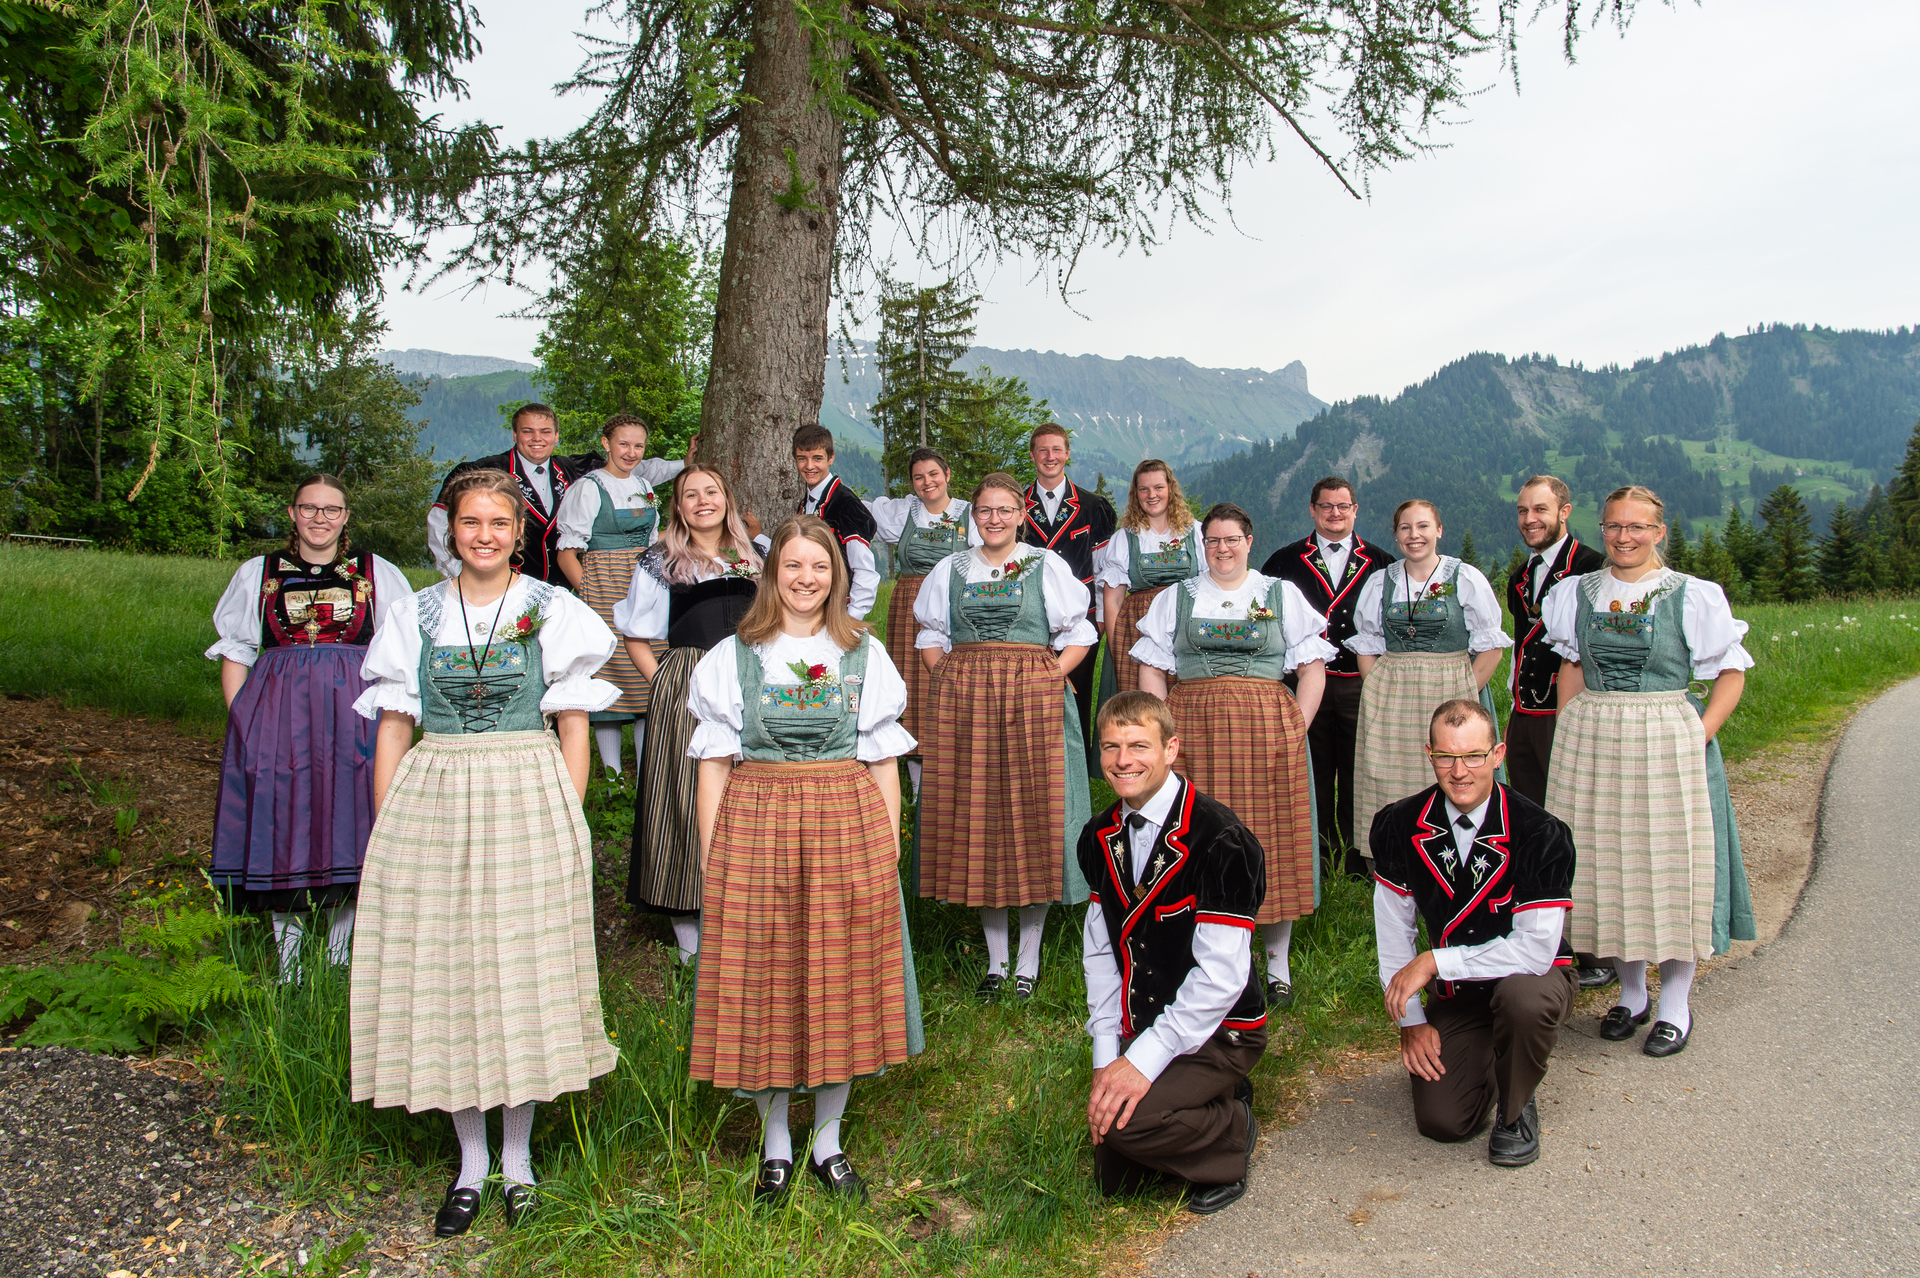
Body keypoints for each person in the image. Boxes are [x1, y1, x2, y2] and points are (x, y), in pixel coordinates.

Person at [350, 468, 621, 1236]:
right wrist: (389, 830)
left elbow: (573, 722)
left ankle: (519, 1159)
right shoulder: (416, 613)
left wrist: (567, 818)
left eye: (499, 524)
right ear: (453, 531)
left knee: (520, 971)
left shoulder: (549, 609)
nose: (484, 536)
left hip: (526, 790)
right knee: (455, 973)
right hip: (436, 797)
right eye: (471, 523)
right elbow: (394, 725)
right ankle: (471, 1163)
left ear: (518, 533)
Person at [687, 515, 921, 1205]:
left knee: (840, 977)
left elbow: (883, 760)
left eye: (819, 567)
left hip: (845, 823)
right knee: (765, 979)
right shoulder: (733, 656)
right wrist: (712, 856)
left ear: (835, 576)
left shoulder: (862, 652)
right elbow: (713, 765)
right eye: (792, 565)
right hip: (756, 822)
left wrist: (886, 848)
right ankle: (776, 1145)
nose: (806, 578)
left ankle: (827, 1141)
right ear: (772, 573)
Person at [1543, 485, 1756, 1058]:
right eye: (1614, 526)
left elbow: (1730, 673)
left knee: (1672, 867)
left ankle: (1675, 1004)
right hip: (1596, 741)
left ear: (1658, 532)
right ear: (1602, 530)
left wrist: (1696, 736)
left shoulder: (1692, 595)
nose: (1624, 537)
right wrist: (1568, 732)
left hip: (1666, 739)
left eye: (1637, 527)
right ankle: (1632, 994)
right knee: (1611, 868)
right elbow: (1573, 667)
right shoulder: (1575, 593)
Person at [205, 475, 412, 981]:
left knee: (353, 814)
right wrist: (243, 718)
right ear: (293, 513)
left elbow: (401, 649)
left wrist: (392, 718)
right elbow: (237, 651)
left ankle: (341, 953)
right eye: (309, 508)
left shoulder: (375, 572)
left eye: (331, 509)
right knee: (282, 816)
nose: (320, 518)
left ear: (345, 517)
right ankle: (289, 960)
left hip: (355, 711)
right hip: (278, 712)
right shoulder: (259, 573)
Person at [1132, 502, 1335, 1010]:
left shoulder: (1279, 594)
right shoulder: (1177, 597)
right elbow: (1152, 666)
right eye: (1213, 541)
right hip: (1192, 730)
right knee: (1196, 839)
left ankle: (1278, 965)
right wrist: (1160, 732)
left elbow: (1312, 668)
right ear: (1203, 545)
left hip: (1267, 732)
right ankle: (1202, 956)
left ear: (1249, 542)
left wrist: (1296, 728)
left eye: (1232, 539)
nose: (1222, 549)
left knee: (1271, 837)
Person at [1080, 691, 1266, 1215]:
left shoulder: (1221, 840)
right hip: (1145, 1021)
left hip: (1220, 1027)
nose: (1123, 761)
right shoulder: (1097, 835)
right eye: (1111, 747)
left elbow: (1221, 980)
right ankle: (1204, 1100)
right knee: (1114, 1177)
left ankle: (1232, 1129)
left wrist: (1142, 1062)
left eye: (1139, 746)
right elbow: (1100, 953)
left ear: (1171, 749)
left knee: (1128, 1125)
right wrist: (1106, 1059)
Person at [1371, 698, 1577, 1168]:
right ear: (1429, 754)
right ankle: (1496, 1055)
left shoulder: (1540, 832)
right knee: (1443, 1121)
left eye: (1473, 756)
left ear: (1498, 755)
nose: (1459, 771)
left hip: (1533, 978)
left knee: (1522, 1002)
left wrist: (1435, 961)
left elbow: (1535, 950)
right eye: (1446, 756)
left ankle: (1516, 1108)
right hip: (1461, 991)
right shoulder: (1399, 823)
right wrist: (1411, 1021)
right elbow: (1394, 932)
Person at [915, 471, 1097, 999]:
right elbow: (931, 635)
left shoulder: (1045, 564)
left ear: (1021, 515)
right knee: (980, 818)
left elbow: (1079, 633)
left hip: (1034, 704)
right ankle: (997, 961)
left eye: (1004, 510)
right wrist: (951, 680)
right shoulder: (950, 569)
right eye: (984, 510)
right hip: (966, 707)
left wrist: (1049, 677)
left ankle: (1029, 958)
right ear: (973, 516)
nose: (993, 519)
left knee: (1034, 815)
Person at [613, 465, 762, 964]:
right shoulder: (661, 560)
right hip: (688, 682)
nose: (703, 501)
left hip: (749, 680)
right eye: (691, 495)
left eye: (711, 492)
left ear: (727, 499)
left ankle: (747, 917)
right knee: (684, 793)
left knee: (749, 793)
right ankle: (690, 937)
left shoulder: (756, 556)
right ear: (678, 507)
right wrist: (666, 682)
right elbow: (635, 634)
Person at [1347, 499, 1511, 867]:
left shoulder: (1464, 577)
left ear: (1439, 530)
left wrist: (1464, 696)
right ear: (1396, 535)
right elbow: (1368, 645)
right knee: (1386, 776)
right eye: (1405, 528)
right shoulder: (1381, 581)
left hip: (1450, 689)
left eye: (1422, 526)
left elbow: (1491, 649)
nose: (1414, 535)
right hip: (1392, 698)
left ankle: (1460, 859)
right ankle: (1393, 862)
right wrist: (1377, 690)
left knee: (1454, 773)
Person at [1505, 474, 1612, 991]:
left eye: (1541, 510)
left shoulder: (1594, 568)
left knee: (1577, 826)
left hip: (1571, 715)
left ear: (1564, 512)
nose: (1531, 519)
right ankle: (1549, 937)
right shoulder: (1520, 577)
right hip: (1526, 715)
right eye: (1523, 511)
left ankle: (1597, 948)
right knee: (1532, 825)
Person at [1261, 478, 1395, 876]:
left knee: (1360, 769)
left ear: (1355, 510)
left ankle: (1358, 859)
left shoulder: (1382, 562)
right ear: (1312, 510)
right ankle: (1316, 856)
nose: (1335, 513)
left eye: (1342, 506)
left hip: (1360, 679)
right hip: (1304, 681)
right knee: (1311, 769)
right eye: (1326, 506)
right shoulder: (1284, 561)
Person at [553, 414, 691, 775]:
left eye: (638, 446)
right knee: (610, 677)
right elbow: (567, 553)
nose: (631, 452)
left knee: (647, 680)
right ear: (606, 444)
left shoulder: (643, 483)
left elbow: (652, 540)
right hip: (603, 587)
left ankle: (644, 774)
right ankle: (613, 778)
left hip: (646, 584)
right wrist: (590, 596)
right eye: (623, 444)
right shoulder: (588, 488)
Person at [864, 447, 979, 796]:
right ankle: (917, 784)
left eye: (933, 474)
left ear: (947, 475)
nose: (927, 482)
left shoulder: (970, 515)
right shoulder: (902, 513)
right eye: (918, 477)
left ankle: (955, 773)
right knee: (911, 688)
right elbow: (853, 514)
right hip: (910, 609)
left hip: (953, 606)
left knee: (950, 685)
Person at [1020, 423, 1116, 761]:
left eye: (1057, 450)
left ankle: (1075, 768)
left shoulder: (1092, 506)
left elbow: (1103, 568)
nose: (1050, 457)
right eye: (1043, 450)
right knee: (1028, 694)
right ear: (1032, 455)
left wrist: (1100, 617)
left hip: (1080, 619)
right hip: (1028, 616)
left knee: (1077, 695)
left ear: (1067, 454)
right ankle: (1031, 764)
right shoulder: (1016, 505)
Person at [1096, 459, 1204, 699]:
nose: (1151, 495)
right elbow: (1113, 601)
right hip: (1138, 632)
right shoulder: (1125, 538)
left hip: (1185, 628)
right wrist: (1118, 648)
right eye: (1144, 489)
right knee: (1141, 707)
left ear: (1170, 489)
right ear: (1136, 494)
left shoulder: (1196, 533)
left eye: (1158, 487)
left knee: (1188, 698)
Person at [792, 424, 880, 618]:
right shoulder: (806, 503)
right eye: (802, 458)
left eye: (817, 458)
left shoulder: (846, 504)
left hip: (838, 610)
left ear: (831, 458)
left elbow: (864, 570)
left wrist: (852, 618)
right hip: (813, 607)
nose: (809, 466)